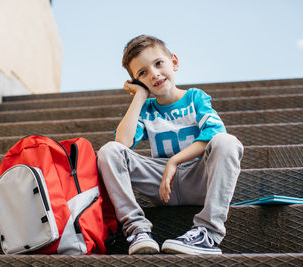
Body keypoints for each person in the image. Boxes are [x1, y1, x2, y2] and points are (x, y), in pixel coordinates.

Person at [97, 35, 243, 255]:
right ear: (136, 82)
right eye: (142, 73)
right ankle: (137, 230)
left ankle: (208, 234)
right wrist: (139, 97)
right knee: (108, 151)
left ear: (174, 62)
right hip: (162, 187)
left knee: (227, 142)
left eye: (158, 63)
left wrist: (174, 161)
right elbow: (122, 143)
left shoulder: (195, 97)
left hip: (197, 178)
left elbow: (215, 132)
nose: (154, 74)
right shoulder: (146, 109)